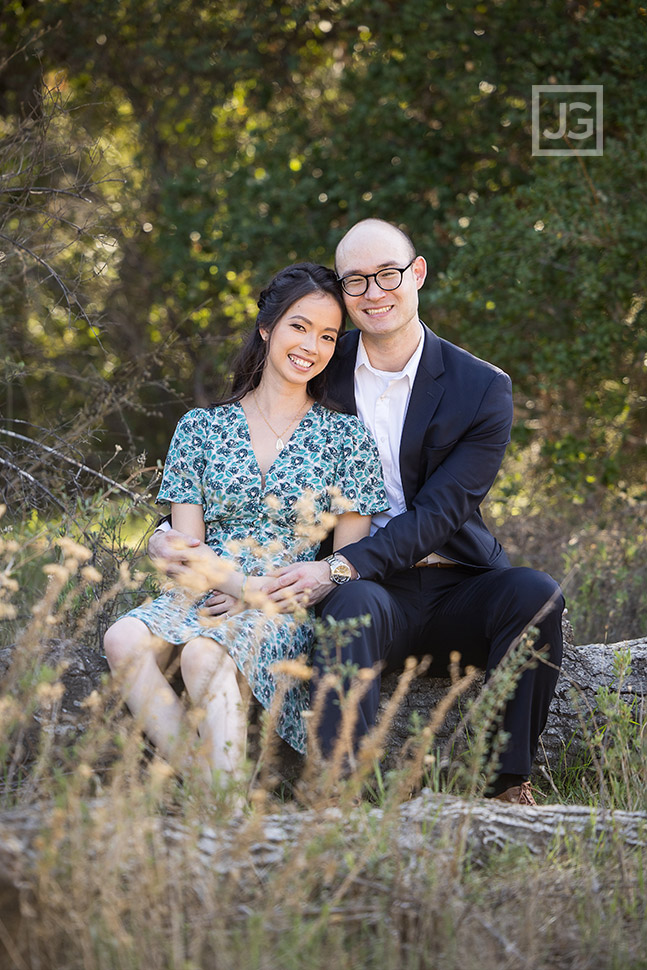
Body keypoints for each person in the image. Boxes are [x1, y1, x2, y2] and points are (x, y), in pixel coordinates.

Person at [150, 220, 565, 807]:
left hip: (455, 581)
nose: (373, 292)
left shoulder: (481, 388)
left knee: (537, 595)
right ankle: (338, 791)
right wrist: (166, 534)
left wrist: (338, 567)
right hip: (364, 592)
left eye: (387, 275)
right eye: (355, 282)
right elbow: (234, 443)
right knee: (353, 603)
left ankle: (504, 784)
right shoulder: (318, 355)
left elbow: (443, 510)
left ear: (416, 274)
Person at [104, 262, 388, 792]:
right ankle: (216, 795)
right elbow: (186, 551)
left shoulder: (348, 438)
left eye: (328, 335)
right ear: (267, 328)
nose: (312, 345)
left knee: (204, 653)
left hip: (289, 600)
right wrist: (234, 586)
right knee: (121, 638)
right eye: (299, 326)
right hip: (209, 590)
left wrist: (260, 596)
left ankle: (223, 816)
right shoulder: (202, 428)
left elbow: (347, 565)